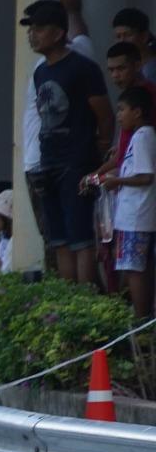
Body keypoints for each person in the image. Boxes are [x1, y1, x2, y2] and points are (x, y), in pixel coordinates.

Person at [23, 0, 112, 283]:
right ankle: (68, 297)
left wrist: (100, 148)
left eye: (39, 28)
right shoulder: (41, 72)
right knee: (59, 239)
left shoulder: (82, 68)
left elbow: (104, 114)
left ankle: (84, 298)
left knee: (80, 239)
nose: (32, 35)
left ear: (59, 32)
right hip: (48, 162)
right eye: (31, 29)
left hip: (76, 163)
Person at [100, 87, 155, 320]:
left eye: (122, 109)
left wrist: (117, 181)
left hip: (136, 217)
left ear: (137, 112)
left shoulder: (143, 136)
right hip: (135, 216)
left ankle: (141, 318)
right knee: (137, 268)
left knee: (134, 269)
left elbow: (146, 177)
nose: (119, 115)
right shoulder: (140, 136)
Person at [113, 5, 156, 85]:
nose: (122, 41)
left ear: (144, 36)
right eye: (118, 36)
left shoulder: (151, 71)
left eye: (128, 35)